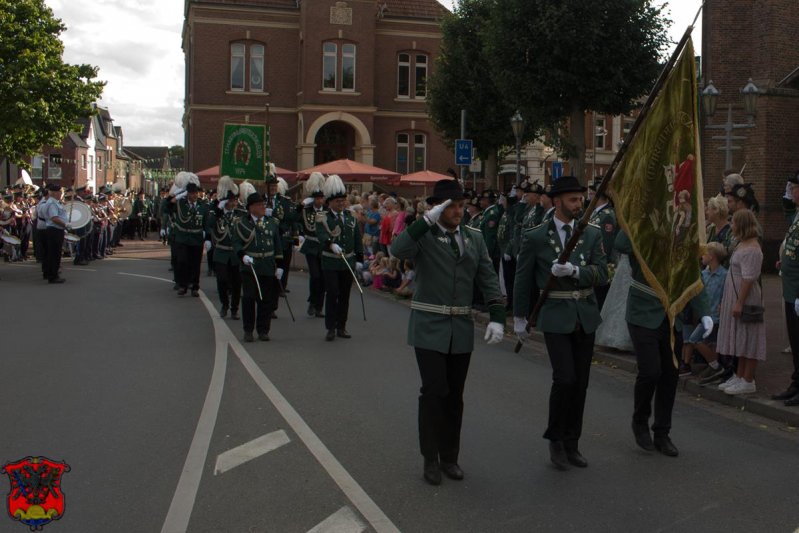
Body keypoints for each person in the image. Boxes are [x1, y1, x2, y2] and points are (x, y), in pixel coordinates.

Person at [391, 179, 505, 486]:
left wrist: (497, 316)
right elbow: (397, 248)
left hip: (461, 328)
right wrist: (424, 221)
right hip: (429, 325)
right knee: (434, 391)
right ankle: (430, 458)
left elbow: (488, 277)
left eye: (459, 205)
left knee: (455, 396)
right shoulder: (424, 236)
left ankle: (449, 456)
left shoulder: (474, 238)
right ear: (437, 208)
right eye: (450, 206)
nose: (457, 211)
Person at [513, 176, 608, 471]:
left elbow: (603, 273)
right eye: (572, 200)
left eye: (580, 199)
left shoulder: (590, 234)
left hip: (585, 314)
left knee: (580, 383)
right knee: (564, 378)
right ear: (557, 201)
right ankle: (555, 438)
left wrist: (577, 271)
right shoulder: (537, 236)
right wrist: (520, 316)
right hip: (555, 314)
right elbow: (523, 277)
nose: (578, 205)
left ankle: (572, 442)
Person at [615, 231, 712, 457]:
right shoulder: (644, 229)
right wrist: (639, 217)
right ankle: (640, 421)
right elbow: (620, 243)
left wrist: (704, 312)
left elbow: (691, 276)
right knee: (650, 371)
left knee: (670, 374)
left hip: (670, 316)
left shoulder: (681, 238)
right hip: (643, 312)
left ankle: (662, 432)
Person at [715, 209, 766, 395]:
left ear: (742, 224)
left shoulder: (752, 248)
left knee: (749, 337)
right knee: (740, 337)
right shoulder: (741, 243)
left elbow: (749, 278)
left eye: (734, 222)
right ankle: (739, 374)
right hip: (734, 295)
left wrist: (739, 302)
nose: (732, 226)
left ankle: (748, 379)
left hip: (745, 298)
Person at [317, 174, 364, 341]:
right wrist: (330, 244)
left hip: (348, 262)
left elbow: (357, 239)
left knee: (345, 295)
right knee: (332, 293)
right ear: (330, 202)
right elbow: (321, 234)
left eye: (343, 201)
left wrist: (359, 259)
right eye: (338, 201)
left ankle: (341, 326)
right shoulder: (323, 217)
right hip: (330, 261)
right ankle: (330, 327)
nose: (341, 203)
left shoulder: (350, 217)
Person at [233, 191, 284, 342]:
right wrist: (243, 255)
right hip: (249, 266)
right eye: (259, 205)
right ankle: (248, 330)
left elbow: (277, 245)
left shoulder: (272, 223)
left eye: (263, 204)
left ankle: (263, 330)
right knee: (249, 298)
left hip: (267, 265)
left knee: (265, 299)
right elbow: (236, 243)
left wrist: (280, 265)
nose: (263, 207)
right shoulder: (241, 223)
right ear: (250, 207)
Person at [683, 242, 728, 380]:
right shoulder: (703, 274)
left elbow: (726, 294)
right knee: (704, 342)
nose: (702, 255)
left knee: (695, 339)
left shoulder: (724, 275)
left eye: (705, 253)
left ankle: (716, 367)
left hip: (716, 316)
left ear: (712, 256)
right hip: (706, 316)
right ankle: (714, 367)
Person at [773, 173, 799, 405]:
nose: (791, 191)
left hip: (798, 291)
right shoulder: (797, 214)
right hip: (791, 289)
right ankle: (796, 381)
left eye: (794, 188)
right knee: (795, 338)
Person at [206, 176, 244, 319]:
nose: (233, 203)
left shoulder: (240, 214)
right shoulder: (217, 213)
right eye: (231, 201)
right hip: (221, 251)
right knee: (221, 280)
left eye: (235, 200)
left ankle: (234, 308)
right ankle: (224, 304)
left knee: (236, 282)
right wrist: (217, 211)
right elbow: (209, 225)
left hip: (235, 253)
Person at [169, 178, 210, 297]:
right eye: (192, 193)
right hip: (183, 238)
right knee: (182, 262)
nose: (195, 195)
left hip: (196, 238)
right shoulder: (181, 204)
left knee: (195, 264)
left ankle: (195, 286)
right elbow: (167, 206)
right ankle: (183, 285)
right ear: (187, 194)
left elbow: (206, 223)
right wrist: (178, 195)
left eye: (196, 193)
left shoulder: (203, 206)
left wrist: (207, 238)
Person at [298, 172, 327, 318]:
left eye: (321, 198)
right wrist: (302, 204)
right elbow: (295, 217)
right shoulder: (306, 210)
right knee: (315, 275)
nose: (320, 201)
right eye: (317, 198)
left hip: (324, 247)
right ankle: (312, 301)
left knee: (322, 277)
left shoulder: (327, 212)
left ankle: (318, 306)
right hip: (310, 246)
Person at [587, 178, 618, 311]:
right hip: (592, 262)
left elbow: (605, 243)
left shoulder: (607, 215)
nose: (589, 196)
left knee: (600, 299)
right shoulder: (596, 213)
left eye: (592, 194)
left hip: (601, 264)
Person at [40, 184, 71, 284]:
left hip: (54, 230)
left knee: (53, 253)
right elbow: (54, 218)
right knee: (55, 253)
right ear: (54, 193)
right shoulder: (52, 203)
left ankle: (51, 274)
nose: (61, 194)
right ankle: (53, 276)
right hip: (54, 230)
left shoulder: (53, 202)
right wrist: (65, 224)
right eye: (59, 192)